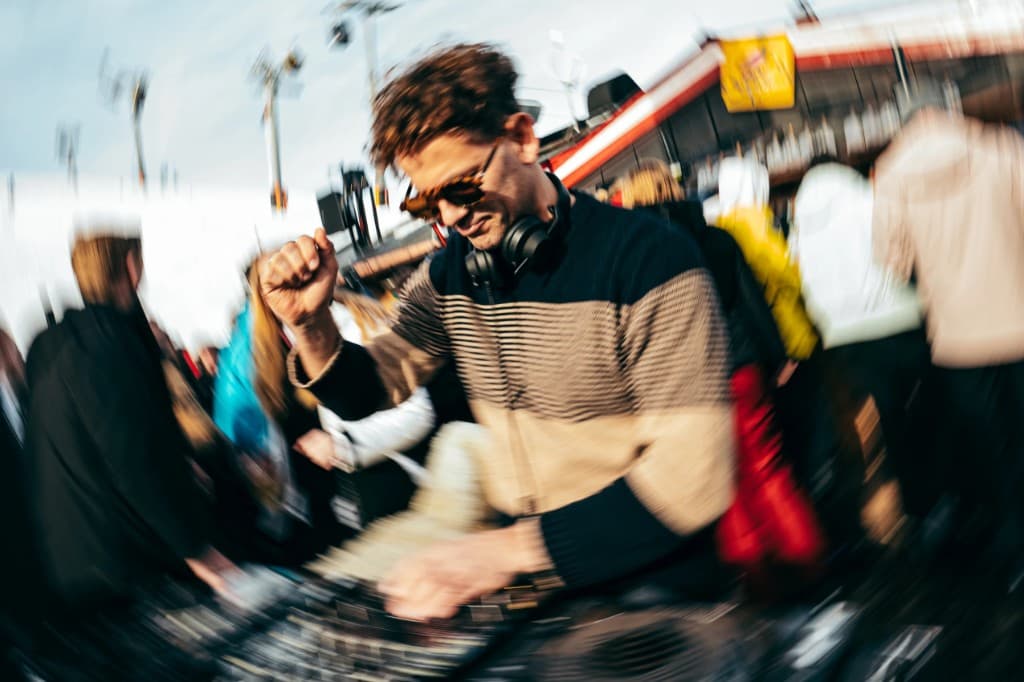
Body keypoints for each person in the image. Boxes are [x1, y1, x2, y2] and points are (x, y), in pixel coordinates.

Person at [260, 43, 736, 620]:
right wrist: (309, 325)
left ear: (523, 138)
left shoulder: (649, 260)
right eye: (428, 203)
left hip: (654, 588)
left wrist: (504, 552)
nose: (453, 217)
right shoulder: (451, 274)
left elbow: (695, 479)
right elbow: (370, 389)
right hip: (537, 592)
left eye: (462, 185)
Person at [620, 160, 823, 583]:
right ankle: (806, 560)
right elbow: (752, 304)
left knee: (723, 483)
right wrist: (778, 356)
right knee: (769, 469)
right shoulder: (716, 236)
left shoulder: (635, 257)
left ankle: (757, 577)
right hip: (742, 368)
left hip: (686, 385)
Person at [22, 219, 234, 613]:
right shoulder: (110, 340)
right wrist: (197, 548)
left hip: (65, 563)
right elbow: (133, 455)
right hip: (126, 570)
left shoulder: (47, 343)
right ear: (132, 267)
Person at [872, 87, 1024, 591]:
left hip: (958, 338)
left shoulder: (891, 176)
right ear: (950, 110)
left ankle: (1013, 543)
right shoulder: (1002, 147)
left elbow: (890, 261)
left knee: (992, 447)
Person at [791, 163, 938, 522]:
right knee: (928, 408)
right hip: (896, 321)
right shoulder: (867, 203)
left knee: (888, 420)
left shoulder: (801, 227)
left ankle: (918, 507)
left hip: (844, 337)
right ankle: (947, 492)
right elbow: (901, 252)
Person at [213, 258, 344, 564]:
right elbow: (238, 403)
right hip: (291, 465)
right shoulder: (252, 338)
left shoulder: (260, 331)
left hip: (302, 462)